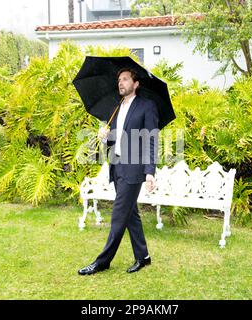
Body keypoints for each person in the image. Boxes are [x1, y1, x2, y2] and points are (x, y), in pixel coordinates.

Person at [78, 68, 159, 275]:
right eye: (119, 80)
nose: (120, 83)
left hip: (134, 169)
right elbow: (113, 139)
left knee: (118, 214)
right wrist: (104, 135)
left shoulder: (146, 106)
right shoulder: (116, 107)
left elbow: (151, 140)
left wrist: (150, 172)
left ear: (136, 84)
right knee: (131, 214)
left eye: (125, 79)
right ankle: (143, 256)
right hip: (117, 166)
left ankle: (103, 261)